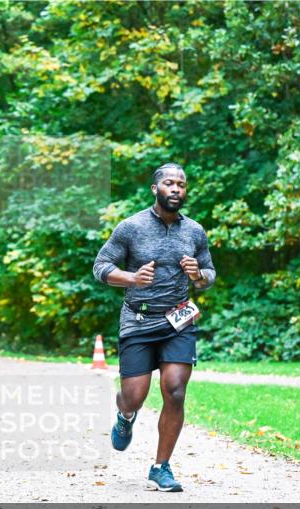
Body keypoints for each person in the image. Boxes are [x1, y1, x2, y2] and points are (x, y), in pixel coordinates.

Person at [92, 163, 216, 492]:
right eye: (169, 183)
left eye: (181, 185)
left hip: (178, 320)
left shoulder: (195, 231)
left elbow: (209, 274)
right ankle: (125, 415)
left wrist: (198, 275)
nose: (176, 189)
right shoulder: (131, 227)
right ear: (155, 189)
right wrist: (131, 278)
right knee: (133, 397)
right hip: (138, 319)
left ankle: (161, 467)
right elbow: (100, 266)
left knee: (175, 391)